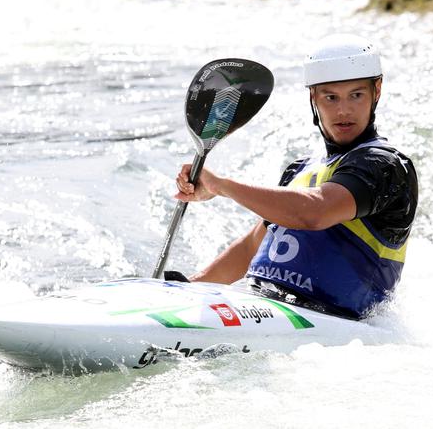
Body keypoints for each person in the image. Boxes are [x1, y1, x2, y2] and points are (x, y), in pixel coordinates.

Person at [174, 34, 418, 320]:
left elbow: (316, 211)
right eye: (330, 97)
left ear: (376, 91)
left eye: (356, 95)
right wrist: (190, 288)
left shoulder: (385, 166)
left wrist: (221, 186)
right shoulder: (300, 170)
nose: (343, 110)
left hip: (338, 324)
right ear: (313, 96)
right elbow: (253, 245)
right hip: (263, 307)